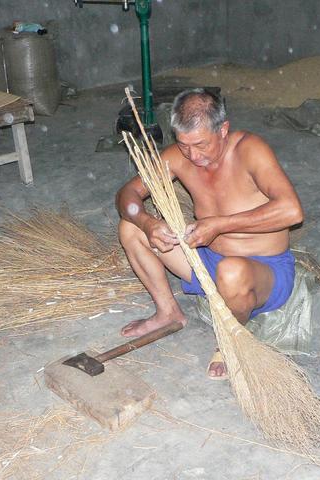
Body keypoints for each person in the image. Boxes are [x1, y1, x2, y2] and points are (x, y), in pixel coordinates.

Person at [115, 88, 304, 379]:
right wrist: (147, 222)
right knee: (130, 228)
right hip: (207, 260)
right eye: (184, 145)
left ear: (223, 129)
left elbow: (292, 211)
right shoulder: (180, 156)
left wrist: (219, 225)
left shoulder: (250, 150)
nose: (193, 154)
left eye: (201, 144)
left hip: (262, 272)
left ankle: (230, 339)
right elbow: (127, 194)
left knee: (231, 271)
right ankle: (168, 313)